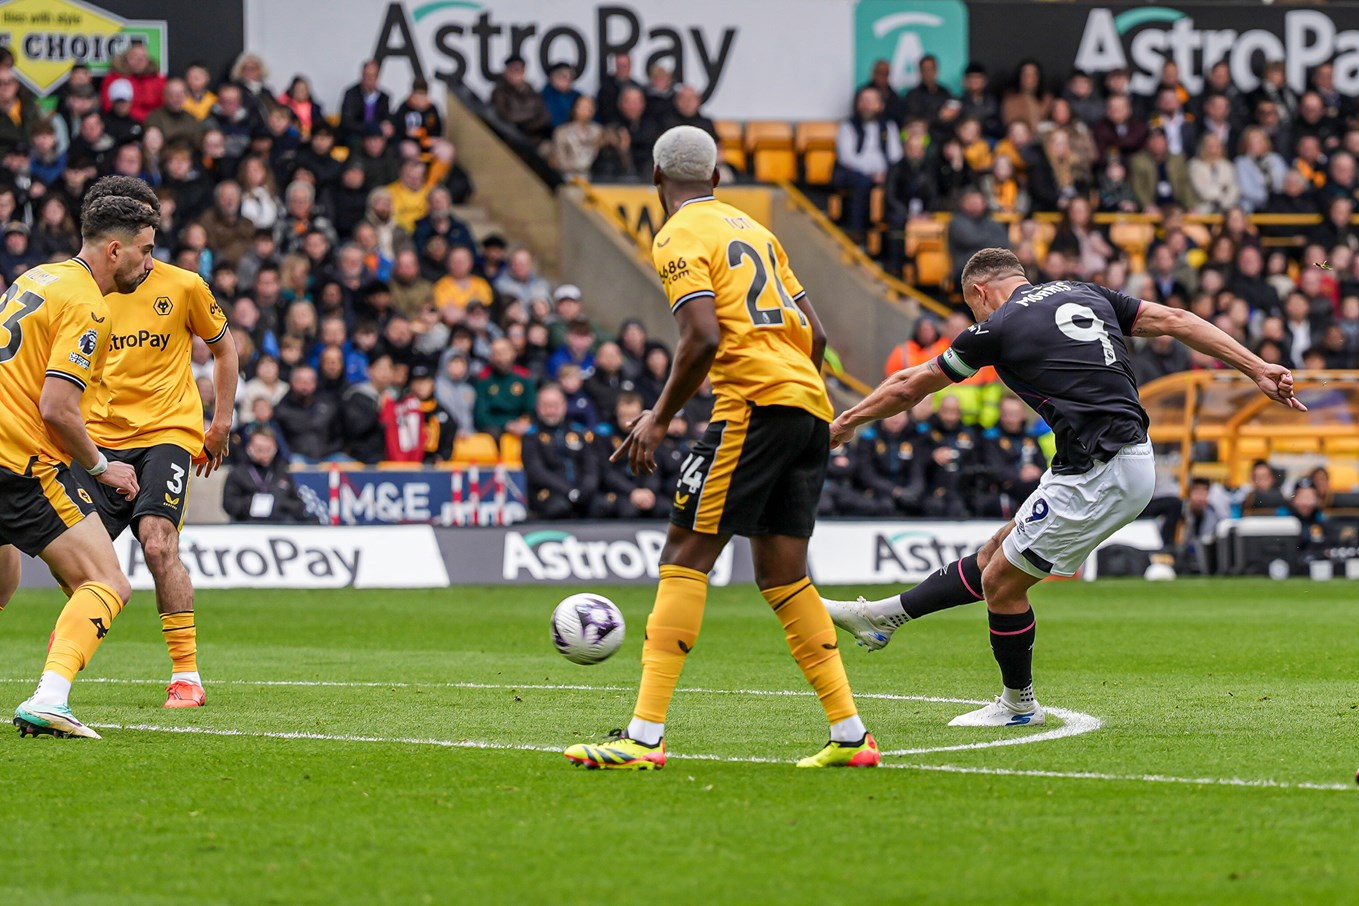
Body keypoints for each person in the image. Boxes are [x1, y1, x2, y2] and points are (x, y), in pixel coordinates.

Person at [823, 247, 1304, 728]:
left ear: (979, 291)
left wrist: (844, 423)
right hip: (1100, 460)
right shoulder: (1086, 292)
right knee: (996, 554)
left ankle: (1018, 703)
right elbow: (1177, 318)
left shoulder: (996, 327)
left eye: (974, 306)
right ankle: (883, 618)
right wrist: (1257, 366)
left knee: (1001, 585)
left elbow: (911, 385)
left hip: (1104, 468)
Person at [563, 126, 879, 770]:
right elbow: (815, 333)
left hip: (754, 406)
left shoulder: (678, 234)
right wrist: (798, 396)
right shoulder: (757, 231)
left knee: (684, 552)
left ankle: (643, 738)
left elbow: (702, 336)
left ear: (656, 178)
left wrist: (658, 416)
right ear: (717, 177)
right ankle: (851, 737)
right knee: (784, 575)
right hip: (806, 405)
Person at [68, 177, 237, 710]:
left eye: (153, 245)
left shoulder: (186, 286)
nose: (149, 256)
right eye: (143, 245)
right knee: (76, 566)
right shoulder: (82, 292)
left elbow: (224, 351)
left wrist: (219, 425)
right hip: (99, 440)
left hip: (167, 431)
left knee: (159, 542)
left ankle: (186, 675)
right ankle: (60, 671)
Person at [0, 194, 156, 739]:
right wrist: (100, 466)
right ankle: (50, 697)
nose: (150, 264)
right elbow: (57, 407)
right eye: (145, 251)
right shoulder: (88, 306)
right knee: (107, 580)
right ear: (115, 249)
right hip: (18, 462)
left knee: (3, 580)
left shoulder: (35, 279)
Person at [832, 87, 902, 237]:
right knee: (862, 182)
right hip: (852, 173)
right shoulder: (848, 126)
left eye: (871, 101)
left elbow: (896, 156)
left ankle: (891, 236)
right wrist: (871, 173)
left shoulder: (889, 126)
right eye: (863, 101)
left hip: (883, 173)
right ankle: (856, 231)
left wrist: (886, 173)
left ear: (880, 105)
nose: (866, 105)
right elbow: (846, 158)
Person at [522, 383, 598, 519]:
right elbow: (537, 472)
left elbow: (591, 467)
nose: (551, 411)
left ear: (564, 406)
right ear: (538, 408)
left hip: (581, 491)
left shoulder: (579, 432)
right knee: (559, 507)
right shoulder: (531, 436)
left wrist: (585, 489)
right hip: (548, 493)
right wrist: (569, 491)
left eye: (555, 405)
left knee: (601, 505)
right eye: (546, 406)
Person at [221, 428, 307, 523]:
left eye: (268, 449)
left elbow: (299, 505)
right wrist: (252, 503)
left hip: (278, 524)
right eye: (259, 449)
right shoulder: (237, 473)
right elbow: (229, 505)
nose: (264, 453)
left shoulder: (281, 473)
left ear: (275, 448)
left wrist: (278, 504)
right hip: (247, 524)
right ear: (249, 448)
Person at [340, 60, 392, 146]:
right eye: (367, 75)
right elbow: (347, 122)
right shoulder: (351, 94)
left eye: (373, 76)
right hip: (356, 134)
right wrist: (369, 128)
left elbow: (386, 118)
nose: (369, 79)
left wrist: (388, 126)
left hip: (377, 136)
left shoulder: (384, 98)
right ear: (362, 75)